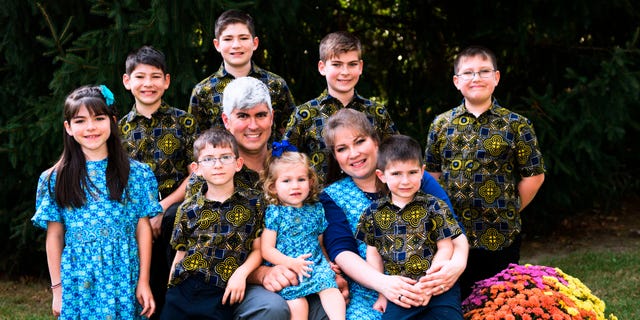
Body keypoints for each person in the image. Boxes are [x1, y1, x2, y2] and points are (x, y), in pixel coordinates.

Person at [185, 76, 329, 319]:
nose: (253, 125)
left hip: (301, 272)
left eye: (260, 115)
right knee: (273, 308)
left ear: (271, 118)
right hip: (235, 280)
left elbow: (317, 219)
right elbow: (207, 251)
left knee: (330, 306)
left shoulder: (290, 165)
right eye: (243, 116)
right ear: (226, 121)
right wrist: (261, 273)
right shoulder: (214, 173)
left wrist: (329, 271)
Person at [320, 108, 469, 320]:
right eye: (342, 148)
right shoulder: (332, 196)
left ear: (375, 142)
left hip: (429, 279)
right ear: (335, 156)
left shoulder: (413, 178)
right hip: (370, 288)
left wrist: (457, 264)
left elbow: (453, 231)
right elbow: (342, 251)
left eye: (360, 141)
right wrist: (384, 285)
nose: (353, 153)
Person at [424, 45, 546, 300]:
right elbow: (431, 176)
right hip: (452, 235)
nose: (476, 78)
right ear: (457, 82)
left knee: (497, 304)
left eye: (483, 71)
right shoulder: (441, 124)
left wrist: (509, 208)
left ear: (496, 77)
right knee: (456, 302)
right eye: (468, 73)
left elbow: (534, 176)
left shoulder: (517, 125)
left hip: (499, 234)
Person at [32, 85, 161, 319]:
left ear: (112, 121)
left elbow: (143, 229)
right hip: (78, 281)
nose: (90, 127)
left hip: (123, 277)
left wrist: (143, 281)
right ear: (68, 128)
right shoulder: (54, 178)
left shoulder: (138, 174)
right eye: (80, 121)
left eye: (98, 118)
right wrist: (57, 290)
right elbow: (55, 236)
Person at [118, 45, 199, 318]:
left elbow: (197, 172)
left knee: (173, 221)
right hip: (132, 216)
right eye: (140, 77)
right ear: (127, 82)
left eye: (155, 76)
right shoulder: (118, 130)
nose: (148, 84)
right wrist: (144, 216)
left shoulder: (184, 122)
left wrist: (161, 208)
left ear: (166, 81)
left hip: (174, 212)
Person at [355, 135, 464, 319]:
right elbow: (373, 255)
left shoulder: (435, 206)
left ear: (422, 172)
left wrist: (429, 282)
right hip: (401, 290)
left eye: (412, 173)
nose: (405, 181)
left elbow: (446, 247)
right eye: (396, 174)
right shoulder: (373, 213)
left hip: (437, 286)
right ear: (381, 175)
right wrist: (382, 293)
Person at [161, 128, 264, 319]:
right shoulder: (188, 208)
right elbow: (180, 252)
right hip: (183, 287)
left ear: (238, 163)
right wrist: (170, 290)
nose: (217, 165)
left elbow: (258, 249)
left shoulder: (254, 203)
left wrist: (241, 274)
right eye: (208, 159)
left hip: (221, 290)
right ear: (196, 169)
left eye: (225, 157)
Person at [283, 31, 398, 182]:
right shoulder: (305, 114)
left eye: (352, 64)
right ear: (322, 67)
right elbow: (286, 163)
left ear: (360, 67)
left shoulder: (377, 112)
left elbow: (396, 157)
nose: (345, 72)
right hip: (320, 202)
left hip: (373, 201)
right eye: (337, 64)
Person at [260, 142, 346, 320]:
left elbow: (319, 243)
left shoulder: (316, 209)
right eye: (286, 180)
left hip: (313, 263)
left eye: (301, 179)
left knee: (330, 288)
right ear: (273, 186)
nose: (295, 186)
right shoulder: (275, 212)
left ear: (310, 182)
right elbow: (266, 249)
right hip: (286, 265)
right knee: (298, 304)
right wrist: (290, 263)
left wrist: (328, 262)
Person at [188, 9, 296, 140]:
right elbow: (197, 142)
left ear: (255, 43)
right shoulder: (203, 91)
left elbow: (290, 133)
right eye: (228, 39)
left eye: (243, 38)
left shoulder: (276, 84)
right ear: (217, 45)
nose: (236, 45)